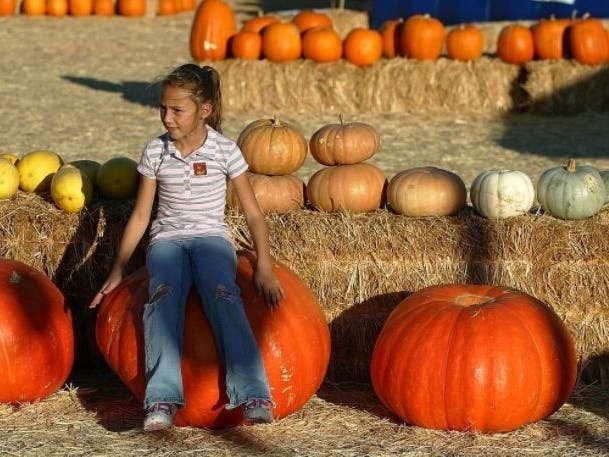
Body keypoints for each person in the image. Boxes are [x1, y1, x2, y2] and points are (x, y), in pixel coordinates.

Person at [89, 63, 284, 432]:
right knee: (161, 298)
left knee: (223, 293)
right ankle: (161, 398)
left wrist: (264, 266)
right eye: (163, 108)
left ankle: (253, 392)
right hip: (167, 240)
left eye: (177, 110)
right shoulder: (155, 152)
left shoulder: (226, 151)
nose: (167, 117)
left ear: (204, 110)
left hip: (211, 238)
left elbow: (254, 214)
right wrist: (118, 270)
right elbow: (141, 216)